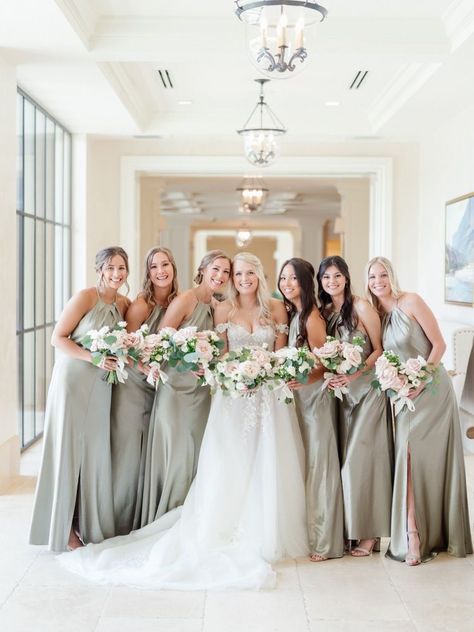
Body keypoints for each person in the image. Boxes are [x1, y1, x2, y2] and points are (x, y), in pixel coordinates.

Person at [58, 252, 308, 590]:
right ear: (205, 272)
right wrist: (221, 369)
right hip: (224, 393)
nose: (239, 278)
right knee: (225, 459)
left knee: (266, 460)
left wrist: (274, 372)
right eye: (234, 273)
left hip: (266, 396)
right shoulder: (222, 309)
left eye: (245, 272)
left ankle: (267, 526)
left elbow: (279, 352)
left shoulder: (275, 308)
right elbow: (207, 348)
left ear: (259, 275)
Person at [366, 256, 472, 564]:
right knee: (409, 458)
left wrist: (420, 379)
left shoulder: (411, 301)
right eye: (372, 277)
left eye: (383, 274)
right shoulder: (377, 315)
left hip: (433, 392)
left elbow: (438, 345)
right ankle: (414, 532)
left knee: (421, 460)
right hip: (404, 395)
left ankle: (420, 535)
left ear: (392, 275)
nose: (378, 281)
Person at [29, 247, 131, 552]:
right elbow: (57, 338)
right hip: (74, 378)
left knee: (93, 453)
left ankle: (90, 523)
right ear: (99, 270)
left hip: (101, 385)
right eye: (110, 268)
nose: (116, 274)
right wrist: (92, 357)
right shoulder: (86, 297)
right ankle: (64, 529)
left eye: (122, 268)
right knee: (68, 450)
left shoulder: (124, 304)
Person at [140, 250, 231, 525]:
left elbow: (222, 348)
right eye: (215, 269)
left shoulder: (218, 306)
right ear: (202, 269)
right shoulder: (186, 300)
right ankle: (167, 517)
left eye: (226, 272)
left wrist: (214, 364)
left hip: (201, 392)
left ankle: (188, 518)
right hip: (176, 389)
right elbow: (160, 341)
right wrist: (187, 360)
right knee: (176, 454)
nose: (220, 276)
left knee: (195, 453)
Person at [317, 256, 393, 557]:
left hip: (368, 393)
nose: (332, 282)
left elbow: (379, 349)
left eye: (337, 276)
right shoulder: (324, 313)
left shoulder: (362, 306)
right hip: (342, 398)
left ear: (346, 278)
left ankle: (370, 533)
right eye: (326, 277)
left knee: (361, 463)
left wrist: (355, 372)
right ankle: (351, 529)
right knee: (344, 463)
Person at [278, 258, 344, 562]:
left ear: (306, 283)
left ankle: (325, 542)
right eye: (283, 278)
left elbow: (324, 363)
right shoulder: (295, 314)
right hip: (299, 401)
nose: (287, 284)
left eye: (293, 279)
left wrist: (302, 378)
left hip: (314, 400)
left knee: (320, 466)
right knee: (307, 466)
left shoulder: (312, 317)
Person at [110, 247, 178, 536]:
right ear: (147, 273)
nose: (160, 271)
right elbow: (125, 348)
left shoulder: (179, 302)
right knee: (128, 452)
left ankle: (144, 518)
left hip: (160, 386)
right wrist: (145, 369)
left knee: (149, 455)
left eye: (165, 264)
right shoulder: (140, 305)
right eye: (154, 267)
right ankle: (119, 521)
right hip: (134, 387)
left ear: (173, 267)